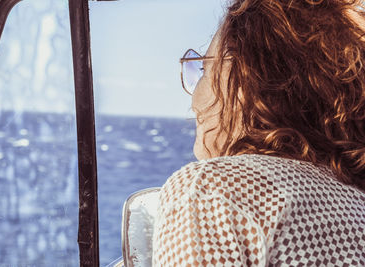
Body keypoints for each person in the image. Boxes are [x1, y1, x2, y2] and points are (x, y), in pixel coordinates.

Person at [152, 0, 365, 266]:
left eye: (206, 68)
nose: (194, 99)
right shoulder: (355, 200)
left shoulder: (210, 190)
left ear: (250, 79)